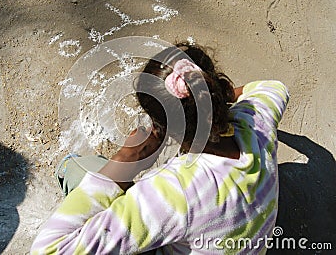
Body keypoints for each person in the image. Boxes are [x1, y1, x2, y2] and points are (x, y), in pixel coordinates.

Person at [31, 42, 289, 254]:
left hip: (188, 216)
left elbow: (49, 250)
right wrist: (217, 100)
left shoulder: (173, 193)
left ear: (164, 130)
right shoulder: (256, 122)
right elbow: (274, 87)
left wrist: (128, 156)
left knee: (78, 168)